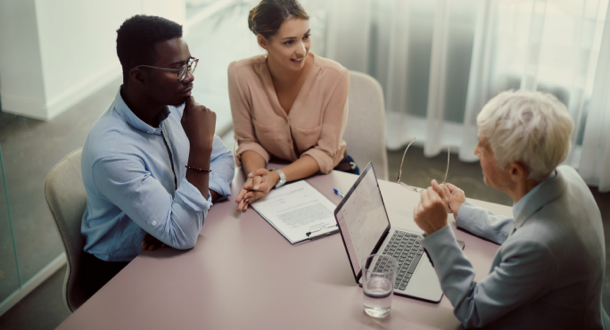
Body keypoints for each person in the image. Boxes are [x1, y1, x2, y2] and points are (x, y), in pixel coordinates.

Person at [412, 90, 610, 329]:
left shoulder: (539, 246)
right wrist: (464, 210)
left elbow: (471, 309)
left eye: (483, 147)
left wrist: (438, 231)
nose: (475, 151)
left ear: (515, 171)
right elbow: (528, 231)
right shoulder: (568, 178)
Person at [80, 15, 234, 298]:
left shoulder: (173, 106)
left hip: (172, 247)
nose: (189, 77)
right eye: (177, 69)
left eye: (189, 64)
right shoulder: (112, 153)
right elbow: (184, 235)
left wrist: (187, 209)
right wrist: (200, 150)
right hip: (122, 272)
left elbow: (225, 162)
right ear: (139, 75)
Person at [228, 0, 353, 211]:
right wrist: (257, 178)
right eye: (289, 42)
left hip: (325, 173)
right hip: (268, 171)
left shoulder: (336, 77)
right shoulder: (240, 75)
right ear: (263, 42)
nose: (301, 50)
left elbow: (325, 152)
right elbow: (248, 141)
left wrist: (276, 177)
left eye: (306, 37)